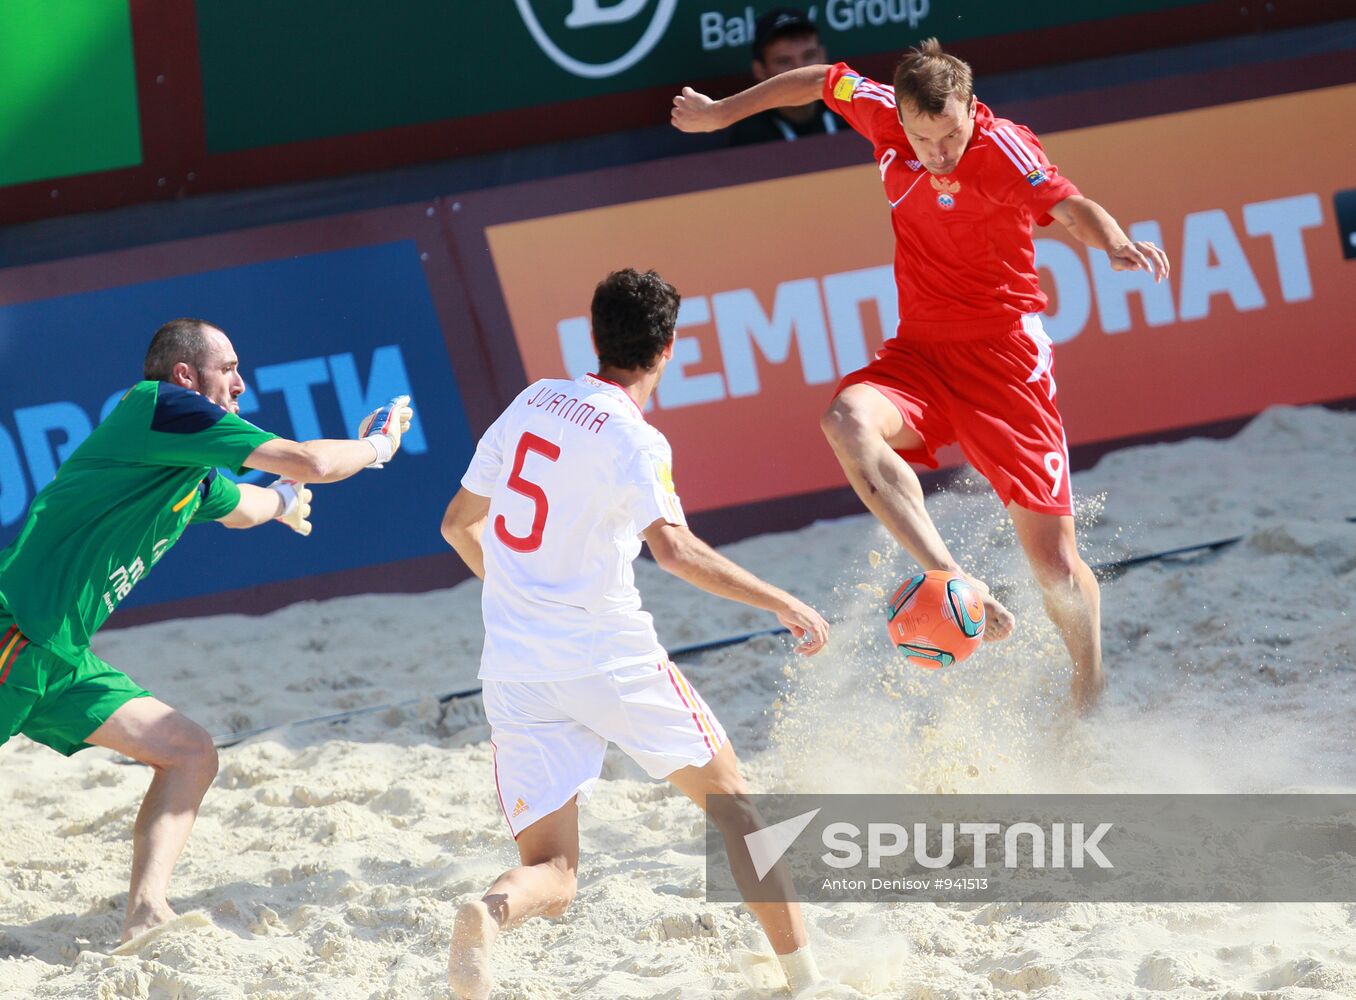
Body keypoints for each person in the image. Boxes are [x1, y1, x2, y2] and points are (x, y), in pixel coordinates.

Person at [672, 39, 1171, 712]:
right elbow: (821, 80)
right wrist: (723, 113)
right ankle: (952, 575)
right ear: (900, 117)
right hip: (922, 354)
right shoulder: (881, 111)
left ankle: (1089, 681)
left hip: (1006, 367)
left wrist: (1115, 244)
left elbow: (1072, 206)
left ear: (973, 108)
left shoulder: (1006, 149)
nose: (937, 152)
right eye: (922, 136)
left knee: (1053, 569)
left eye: (951, 134)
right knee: (844, 421)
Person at [440, 269, 833, 999]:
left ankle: (487, 915)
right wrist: (782, 600)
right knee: (735, 807)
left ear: (593, 335)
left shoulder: (533, 400)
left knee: (553, 873)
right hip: (609, 657)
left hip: (517, 667)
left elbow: (457, 523)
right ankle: (808, 982)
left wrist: (521, 594)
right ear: (669, 348)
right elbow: (677, 552)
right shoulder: (636, 438)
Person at [0, 318, 414, 942]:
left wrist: (282, 501)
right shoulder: (157, 407)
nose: (242, 383)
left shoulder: (186, 470)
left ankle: (145, 913)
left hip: (61, 659)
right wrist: (379, 445)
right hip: (14, 634)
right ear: (187, 376)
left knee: (190, 753)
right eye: (230, 369)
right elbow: (313, 459)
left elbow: (245, 507)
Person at [729, 8, 841, 147]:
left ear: (823, 56)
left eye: (809, 56)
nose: (800, 70)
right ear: (760, 71)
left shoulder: (849, 111)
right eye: (784, 61)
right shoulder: (749, 137)